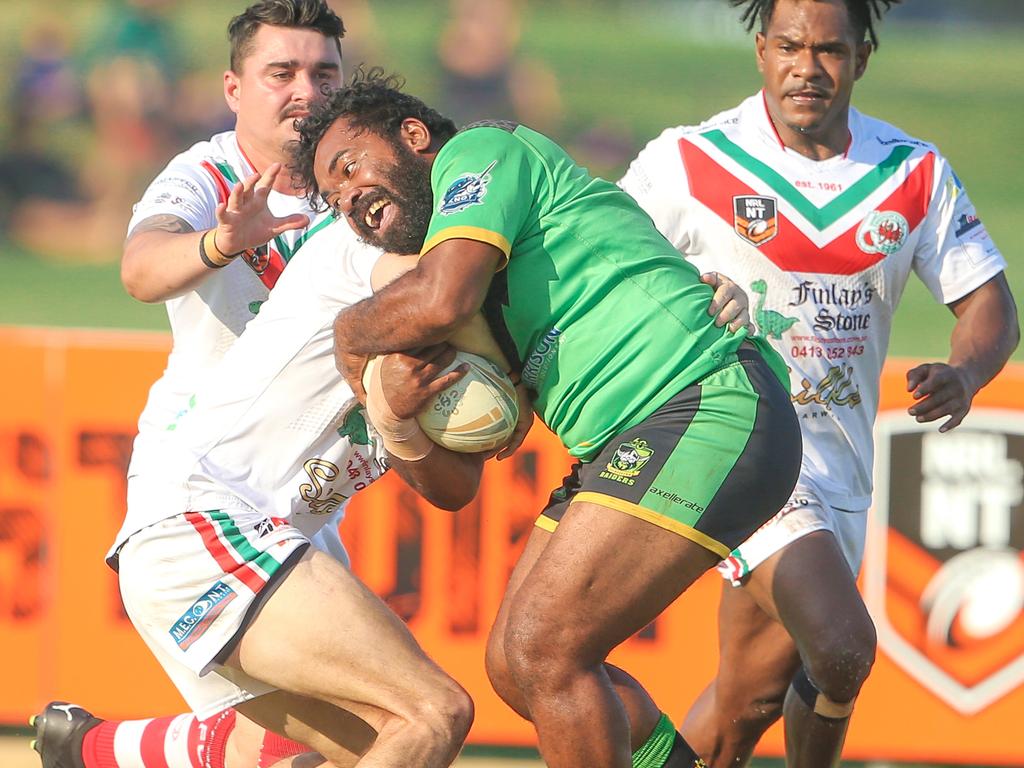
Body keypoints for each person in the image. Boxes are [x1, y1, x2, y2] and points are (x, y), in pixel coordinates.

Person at [292, 69, 802, 768]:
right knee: (512, 664)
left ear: (412, 137)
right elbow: (453, 489)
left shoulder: (478, 152)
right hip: (632, 436)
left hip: (706, 398)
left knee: (545, 651)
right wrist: (398, 421)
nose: (348, 198)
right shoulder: (450, 272)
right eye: (333, 197)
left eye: (349, 167)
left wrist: (353, 338)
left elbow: (440, 299)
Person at [617, 0, 1020, 765]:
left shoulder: (913, 173)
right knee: (841, 647)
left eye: (830, 50)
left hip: (843, 471)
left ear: (863, 56)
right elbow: (603, 273)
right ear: (761, 50)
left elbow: (990, 304)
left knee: (745, 704)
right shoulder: (690, 162)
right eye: (792, 47)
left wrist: (967, 372)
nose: (808, 68)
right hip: (738, 449)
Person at [30, 1, 359, 766]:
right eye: (281, 72)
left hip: (302, 506)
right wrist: (220, 241)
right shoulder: (208, 172)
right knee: (366, 731)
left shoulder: (363, 186)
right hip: (204, 495)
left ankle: (92, 751)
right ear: (233, 89)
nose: (305, 91)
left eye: (324, 73)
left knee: (290, 742)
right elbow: (140, 269)